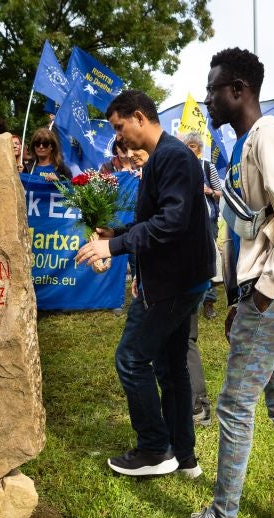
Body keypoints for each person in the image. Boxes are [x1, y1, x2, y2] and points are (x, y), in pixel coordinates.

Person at [159, 47, 274, 518]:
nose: (208, 99)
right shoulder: (246, 144)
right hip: (266, 295)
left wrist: (264, 293)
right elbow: (253, 232)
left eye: (214, 90)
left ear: (239, 90)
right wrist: (240, 296)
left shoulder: (269, 136)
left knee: (234, 406)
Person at [74, 89, 215, 479]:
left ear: (139, 117)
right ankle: (184, 457)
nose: (118, 137)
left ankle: (154, 449)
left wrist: (112, 247)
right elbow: (158, 219)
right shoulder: (163, 157)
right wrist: (117, 233)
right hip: (179, 280)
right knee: (171, 369)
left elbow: (171, 223)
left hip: (174, 283)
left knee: (131, 359)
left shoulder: (172, 156)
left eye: (120, 127)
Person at [180, 131, 222, 427]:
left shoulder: (197, 174)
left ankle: (198, 406)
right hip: (185, 274)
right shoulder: (182, 178)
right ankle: (191, 404)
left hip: (186, 275)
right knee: (180, 341)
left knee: (185, 339)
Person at [181, 131, 222, 321]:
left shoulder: (207, 165)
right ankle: (194, 302)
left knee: (209, 259)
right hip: (188, 221)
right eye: (186, 146)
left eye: (192, 146)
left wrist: (209, 190)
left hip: (208, 219)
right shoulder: (180, 165)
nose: (189, 149)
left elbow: (220, 193)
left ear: (199, 149)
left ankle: (209, 303)